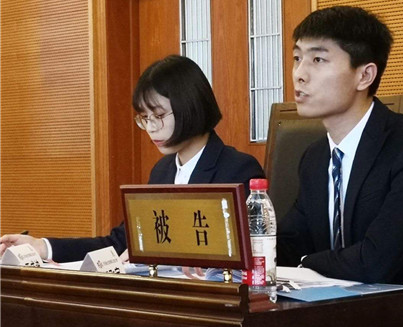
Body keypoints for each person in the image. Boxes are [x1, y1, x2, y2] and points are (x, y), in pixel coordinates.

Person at [276, 6, 403, 327]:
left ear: (364, 75)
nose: (299, 74)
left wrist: (304, 263)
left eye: (318, 59)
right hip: (342, 315)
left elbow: (375, 262)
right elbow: (291, 241)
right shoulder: (315, 157)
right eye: (297, 58)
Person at [0, 55, 264, 263]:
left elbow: (252, 250)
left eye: (158, 116)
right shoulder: (162, 171)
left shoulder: (238, 169)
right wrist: (41, 247)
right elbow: (121, 243)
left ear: (190, 107)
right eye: (144, 118)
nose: (151, 128)